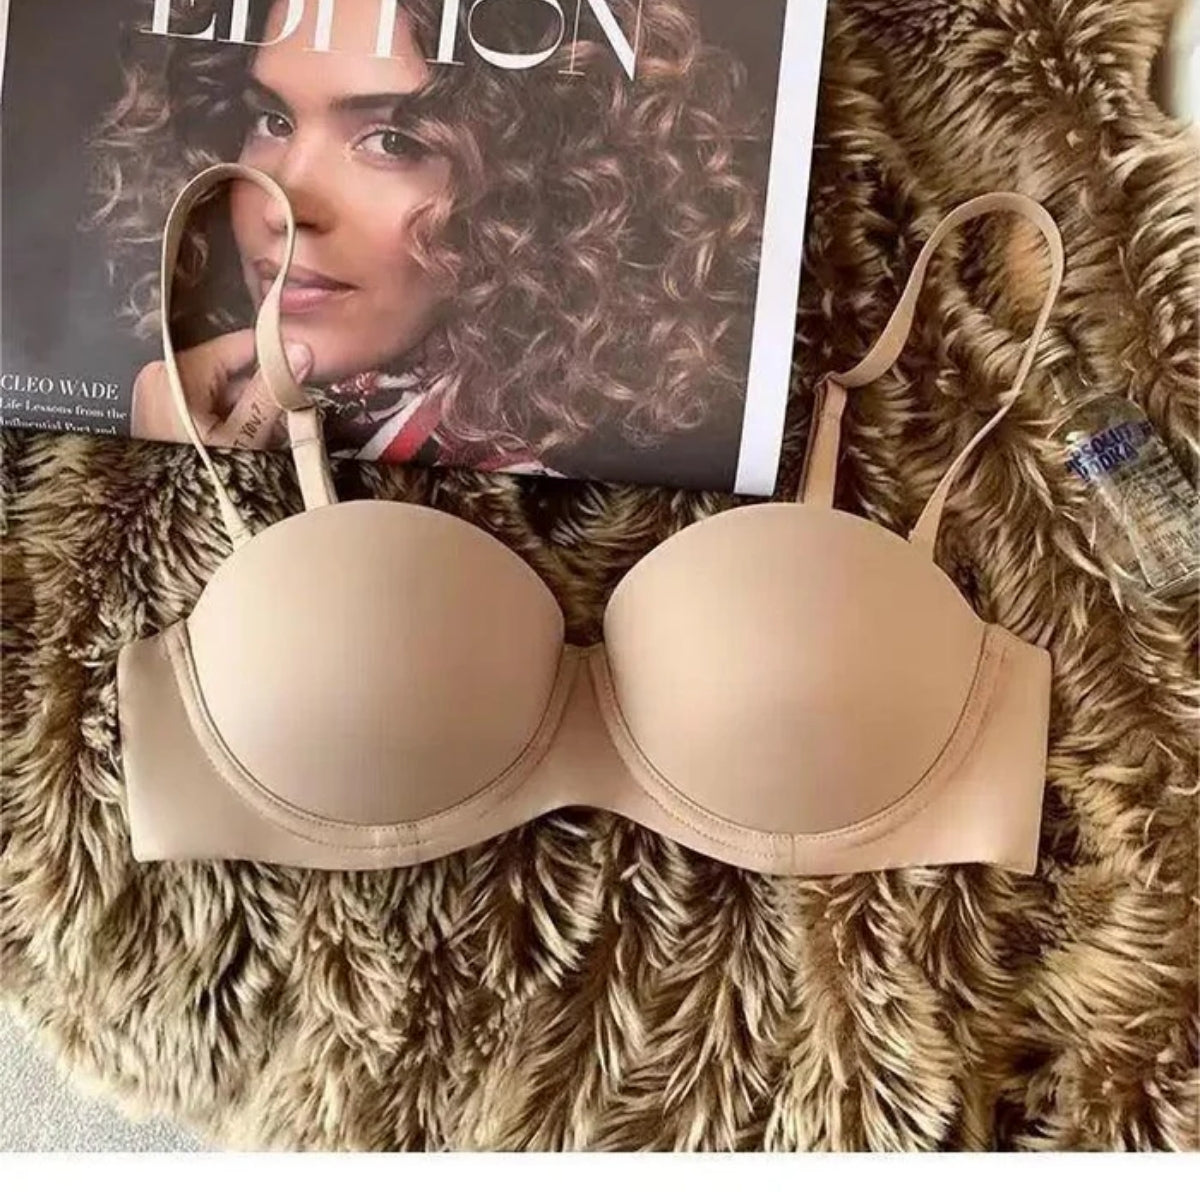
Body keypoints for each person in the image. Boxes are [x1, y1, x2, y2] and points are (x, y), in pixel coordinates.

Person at [91, 0, 767, 484]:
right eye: (272, 120)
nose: (282, 205)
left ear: (538, 188)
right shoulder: (171, 410)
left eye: (392, 140)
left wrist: (192, 494)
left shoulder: (561, 506)